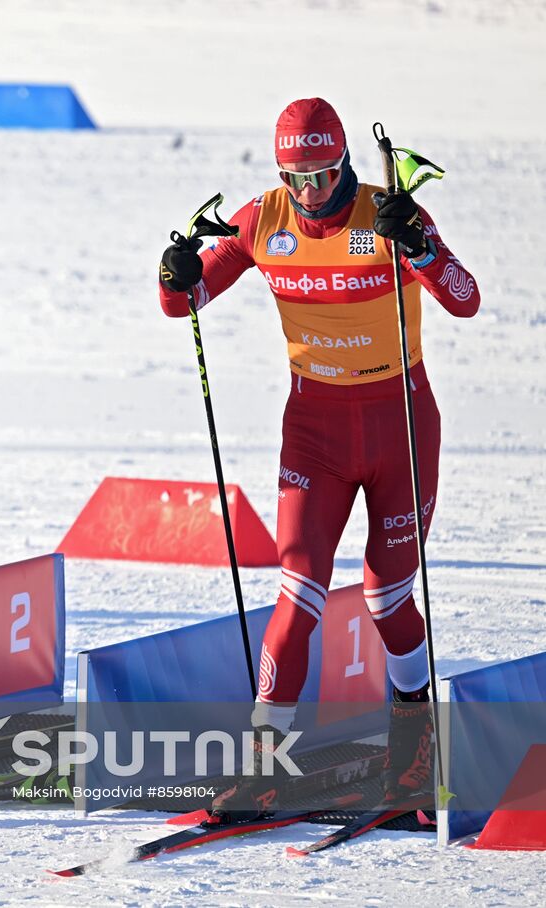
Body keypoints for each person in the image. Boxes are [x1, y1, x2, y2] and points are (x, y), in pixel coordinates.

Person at [157, 98, 480, 821]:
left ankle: (414, 753)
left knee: (386, 597)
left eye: (325, 174)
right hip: (314, 429)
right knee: (297, 586)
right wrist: (174, 275)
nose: (311, 193)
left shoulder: (387, 213)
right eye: (296, 176)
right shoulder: (262, 219)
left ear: (346, 163)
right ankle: (262, 767)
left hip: (399, 422)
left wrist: (421, 249)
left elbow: (466, 299)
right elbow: (186, 302)